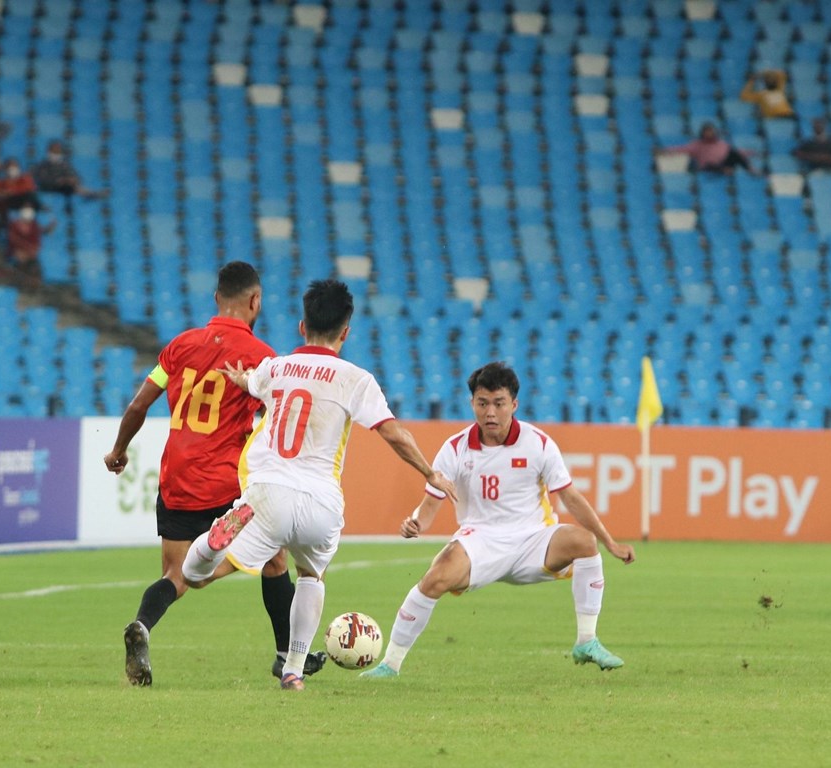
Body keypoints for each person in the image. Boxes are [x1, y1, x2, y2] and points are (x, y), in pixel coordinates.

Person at [181, 278, 457, 691]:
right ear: (345, 332)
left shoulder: (275, 368)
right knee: (312, 574)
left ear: (301, 326)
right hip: (322, 503)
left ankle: (211, 545)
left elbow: (252, 382)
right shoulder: (355, 378)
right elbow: (394, 433)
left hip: (268, 494)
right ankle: (293, 669)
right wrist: (429, 472)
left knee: (196, 575)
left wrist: (242, 381)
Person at [105, 261, 327, 686]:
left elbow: (138, 405)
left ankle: (142, 626)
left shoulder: (179, 346)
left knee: (175, 576)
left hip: (176, 478)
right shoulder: (261, 358)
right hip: (227, 483)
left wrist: (118, 450)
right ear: (255, 300)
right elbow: (284, 419)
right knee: (274, 558)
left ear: (216, 299)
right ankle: (286, 657)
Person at [359, 361, 637, 679]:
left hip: (534, 539)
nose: (490, 412)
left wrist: (610, 543)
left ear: (514, 404)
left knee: (584, 542)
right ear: (472, 404)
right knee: (434, 579)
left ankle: (586, 641)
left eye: (498, 403)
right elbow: (430, 506)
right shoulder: (455, 449)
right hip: (480, 540)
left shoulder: (538, 443)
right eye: (482, 403)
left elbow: (571, 497)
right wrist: (415, 523)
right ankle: (390, 664)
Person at [654, 122, 759, 175]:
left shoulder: (721, 143)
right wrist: (664, 150)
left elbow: (735, 152)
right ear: (702, 133)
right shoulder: (697, 145)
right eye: (707, 132)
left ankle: (750, 169)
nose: (709, 134)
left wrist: (751, 153)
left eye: (711, 131)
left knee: (734, 154)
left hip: (722, 163)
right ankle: (725, 170)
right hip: (708, 167)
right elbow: (681, 149)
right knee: (710, 165)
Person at [31, 140, 107, 199]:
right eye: (54, 151)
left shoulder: (65, 165)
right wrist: (57, 181)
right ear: (48, 151)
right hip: (47, 188)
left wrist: (72, 180)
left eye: (58, 151)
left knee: (74, 187)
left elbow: (76, 177)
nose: (56, 154)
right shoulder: (42, 165)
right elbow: (40, 179)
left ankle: (91, 194)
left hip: (64, 188)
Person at [5, 203, 55, 290]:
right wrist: (19, 252)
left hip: (30, 256)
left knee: (35, 267)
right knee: (20, 262)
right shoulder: (13, 225)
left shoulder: (34, 226)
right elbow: (12, 240)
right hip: (15, 255)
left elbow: (37, 244)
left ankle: (34, 286)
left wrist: (30, 252)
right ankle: (18, 285)